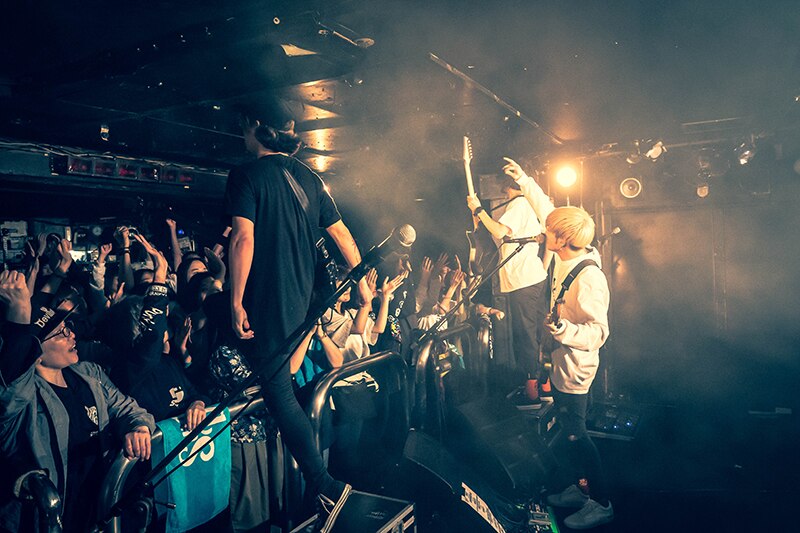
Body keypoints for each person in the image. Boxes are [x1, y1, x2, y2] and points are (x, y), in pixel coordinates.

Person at [225, 98, 372, 531]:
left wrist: (235, 300)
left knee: (278, 391)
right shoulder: (310, 176)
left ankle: (324, 484)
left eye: (243, 126)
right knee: (286, 375)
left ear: (255, 126)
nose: (241, 134)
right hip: (309, 295)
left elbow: (243, 238)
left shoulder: (246, 175)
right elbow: (342, 234)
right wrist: (361, 281)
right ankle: (315, 487)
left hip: (273, 296)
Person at [0, 269, 155, 533]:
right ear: (36, 351)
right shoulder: (24, 399)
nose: (71, 335)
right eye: (60, 333)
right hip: (50, 521)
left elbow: (127, 408)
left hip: (97, 511)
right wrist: (19, 314)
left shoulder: (88, 374)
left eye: (68, 328)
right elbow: (12, 386)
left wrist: (138, 426)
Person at [508, 159, 613, 529]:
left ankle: (601, 502)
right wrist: (524, 180)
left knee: (576, 435)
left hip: (576, 368)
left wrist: (564, 328)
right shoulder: (566, 249)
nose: (543, 231)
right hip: (562, 360)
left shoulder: (590, 279)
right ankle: (578, 490)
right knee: (568, 434)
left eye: (549, 232)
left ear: (562, 240)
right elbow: (547, 211)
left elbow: (598, 333)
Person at [466, 164, 549, 408]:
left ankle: (532, 392)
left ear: (506, 186)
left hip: (523, 280)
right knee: (536, 332)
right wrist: (479, 217)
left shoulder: (519, 204)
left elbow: (500, 231)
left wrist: (479, 209)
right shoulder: (528, 205)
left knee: (525, 334)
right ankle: (544, 386)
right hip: (532, 277)